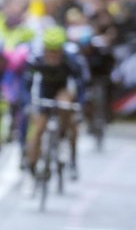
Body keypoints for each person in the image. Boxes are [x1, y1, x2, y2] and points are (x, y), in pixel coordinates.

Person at [23, 26, 88, 179]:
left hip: (62, 89)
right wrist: (27, 102)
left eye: (56, 51)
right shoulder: (36, 59)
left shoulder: (71, 59)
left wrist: (80, 105)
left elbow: (81, 83)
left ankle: (69, 151)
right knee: (38, 129)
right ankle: (32, 166)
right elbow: (26, 83)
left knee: (67, 107)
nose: (52, 55)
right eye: (49, 50)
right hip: (44, 91)